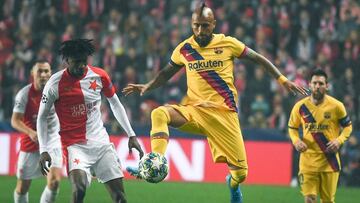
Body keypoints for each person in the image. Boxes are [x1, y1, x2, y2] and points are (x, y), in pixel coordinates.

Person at [123, 3, 308, 203]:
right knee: (158, 113)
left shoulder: (228, 44)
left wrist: (283, 80)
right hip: (196, 112)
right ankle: (155, 163)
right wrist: (147, 86)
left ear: (214, 25)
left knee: (241, 174)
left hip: (225, 116)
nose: (200, 31)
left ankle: (233, 184)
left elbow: (259, 59)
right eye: (196, 26)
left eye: (205, 26)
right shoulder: (184, 49)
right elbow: (166, 73)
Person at [37, 39, 144, 203]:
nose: (81, 66)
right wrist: (44, 149)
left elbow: (114, 102)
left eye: (84, 62)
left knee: (120, 198)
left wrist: (131, 134)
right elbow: (42, 116)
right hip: (75, 146)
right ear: (67, 61)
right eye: (77, 62)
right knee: (79, 191)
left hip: (101, 144)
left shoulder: (100, 76)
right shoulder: (54, 84)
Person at [288, 69, 353, 203]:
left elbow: (348, 126)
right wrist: (296, 141)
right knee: (310, 199)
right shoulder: (300, 107)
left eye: (321, 83)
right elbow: (292, 128)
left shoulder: (337, 106)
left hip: (329, 162)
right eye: (315, 83)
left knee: (327, 201)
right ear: (309, 85)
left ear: (327, 86)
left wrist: (339, 140)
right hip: (307, 161)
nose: (317, 86)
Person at [11, 61, 62, 203]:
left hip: (52, 142)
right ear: (32, 73)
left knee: (54, 183)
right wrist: (30, 132)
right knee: (22, 188)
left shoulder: (57, 92)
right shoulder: (24, 94)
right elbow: (15, 120)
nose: (43, 74)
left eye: (46, 71)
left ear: (50, 73)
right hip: (30, 145)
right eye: (39, 71)